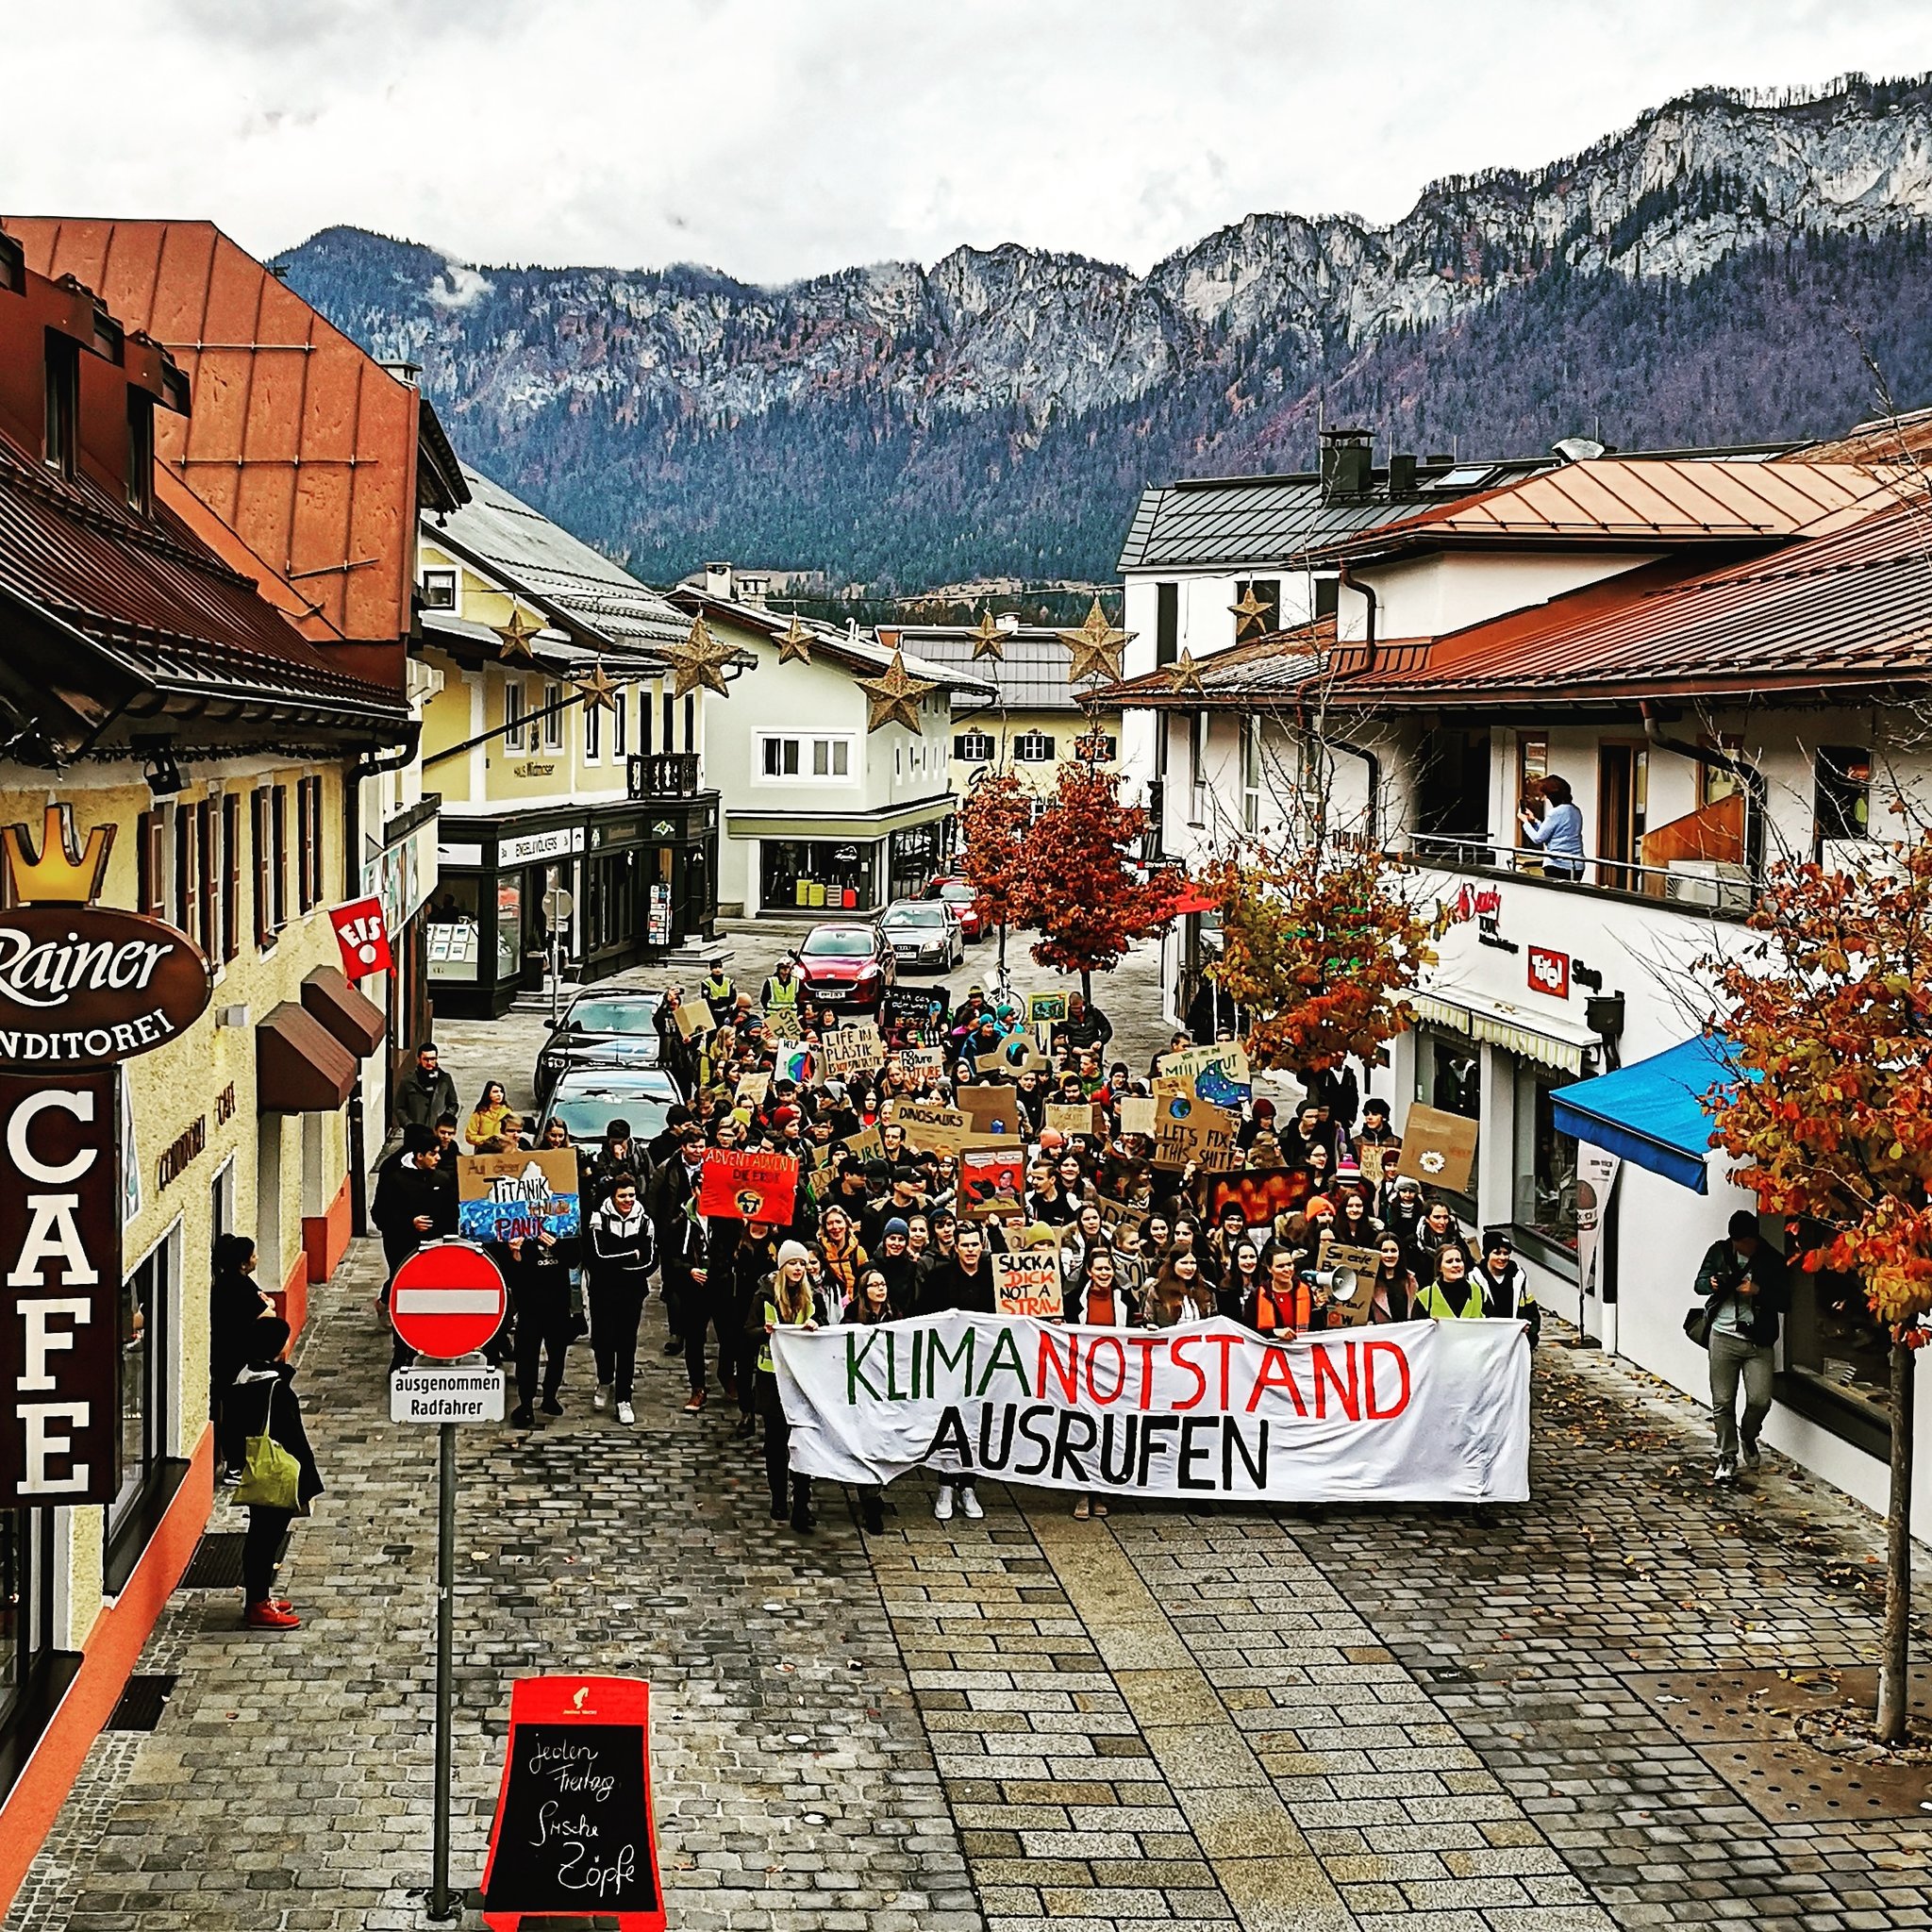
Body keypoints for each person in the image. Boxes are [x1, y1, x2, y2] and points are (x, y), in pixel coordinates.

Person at [225, 1317, 323, 1630]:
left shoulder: (242, 1378)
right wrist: (307, 1480)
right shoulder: (276, 1390)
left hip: (256, 1469)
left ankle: (260, 1597)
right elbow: (295, 1440)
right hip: (276, 1475)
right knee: (265, 1541)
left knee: (261, 1538)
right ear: (278, 1349)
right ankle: (257, 1605)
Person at [1696, 1209, 1789, 1484]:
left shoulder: (1772, 1260)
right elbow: (1699, 1283)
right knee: (1722, 1402)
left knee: (1760, 1399)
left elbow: (1786, 1302)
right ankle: (1726, 1455)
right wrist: (1711, 1283)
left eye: (1742, 1243)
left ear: (1754, 1238)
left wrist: (1759, 1291)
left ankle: (1749, 1435)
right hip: (1722, 1337)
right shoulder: (1719, 1252)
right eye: (1734, 1242)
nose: (1738, 1247)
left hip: (1757, 1340)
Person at [914, 1221, 993, 1523]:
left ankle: (969, 1486)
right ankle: (945, 1485)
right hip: (948, 1363)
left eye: (976, 1244)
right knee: (949, 1424)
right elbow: (923, 1317)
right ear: (956, 1246)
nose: (971, 1250)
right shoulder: (939, 1277)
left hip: (984, 1364)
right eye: (966, 1245)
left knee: (975, 1424)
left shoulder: (993, 1276)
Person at [372, 1124, 454, 1369]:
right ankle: (401, 1351)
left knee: (435, 1299)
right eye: (433, 1154)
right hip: (402, 1248)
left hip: (436, 1250)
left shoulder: (442, 1179)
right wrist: (409, 1223)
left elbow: (452, 1215)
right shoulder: (395, 1178)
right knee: (405, 1300)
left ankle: (435, 1344)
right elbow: (379, 1215)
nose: (438, 1158)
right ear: (419, 1156)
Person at [587, 1174, 657, 1424]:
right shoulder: (599, 1219)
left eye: (631, 1195)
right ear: (613, 1197)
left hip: (632, 1292)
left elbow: (649, 1262)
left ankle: (624, 1398)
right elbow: (597, 1257)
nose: (627, 1200)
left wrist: (619, 1261)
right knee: (603, 1340)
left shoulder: (645, 1222)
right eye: (622, 1196)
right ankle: (605, 1380)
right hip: (602, 1291)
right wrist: (631, 1255)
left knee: (627, 1344)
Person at [758, 1242, 819, 1531]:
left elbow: (826, 1330)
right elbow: (745, 1333)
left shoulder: (811, 1297)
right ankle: (779, 1497)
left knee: (803, 1440)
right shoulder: (765, 1296)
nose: (798, 1269)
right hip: (772, 1379)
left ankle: (802, 1501)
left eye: (802, 1264)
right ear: (783, 1267)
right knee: (775, 1443)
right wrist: (765, 1332)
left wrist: (815, 1327)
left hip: (802, 1379)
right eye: (793, 1264)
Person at [208, 1234, 274, 1483]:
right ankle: (235, 1467)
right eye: (254, 1255)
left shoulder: (226, 1283)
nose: (257, 1258)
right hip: (235, 1360)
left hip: (224, 1357)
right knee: (237, 1415)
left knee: (232, 1412)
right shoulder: (239, 1287)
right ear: (244, 1263)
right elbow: (267, 1310)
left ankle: (235, 1464)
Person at [506, 1212, 578, 1425]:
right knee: (527, 1355)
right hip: (529, 1305)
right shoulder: (517, 1228)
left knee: (557, 1354)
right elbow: (510, 1277)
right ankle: (525, 1403)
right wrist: (515, 1256)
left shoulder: (565, 1226)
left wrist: (555, 1246)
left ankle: (549, 1396)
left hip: (558, 1303)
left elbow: (574, 1259)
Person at [842, 1268, 895, 1532]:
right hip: (861, 1391)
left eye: (883, 1283)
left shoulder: (895, 1314)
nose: (880, 1288)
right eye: (874, 1285)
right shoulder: (852, 1315)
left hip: (886, 1390)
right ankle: (870, 1500)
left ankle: (874, 1492)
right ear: (864, 1291)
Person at [1476, 1229, 1541, 1341]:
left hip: (1515, 1340)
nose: (1502, 1258)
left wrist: (1529, 1334)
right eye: (1497, 1253)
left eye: (1506, 1253)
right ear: (1487, 1254)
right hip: (1487, 1339)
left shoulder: (1518, 1276)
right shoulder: (1475, 1277)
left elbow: (1532, 1312)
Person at [1519, 774, 1586, 882]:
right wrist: (1535, 821)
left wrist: (1525, 822)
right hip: (1577, 865)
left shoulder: (1555, 813)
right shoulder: (1575, 811)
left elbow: (1538, 838)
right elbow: (1556, 832)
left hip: (1558, 865)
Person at [394, 1041, 458, 1134]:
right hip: (415, 1134)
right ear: (419, 1059)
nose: (429, 1063)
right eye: (426, 1059)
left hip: (437, 1133)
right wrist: (409, 1125)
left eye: (432, 1059)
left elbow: (453, 1104)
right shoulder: (408, 1081)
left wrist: (443, 1122)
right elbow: (399, 1107)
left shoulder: (444, 1079)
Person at [1413, 1243, 1486, 1320]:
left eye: (1458, 1260)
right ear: (1439, 1268)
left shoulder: (1479, 1291)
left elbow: (1492, 1325)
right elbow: (1417, 1329)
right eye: (1449, 1261)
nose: (1455, 1265)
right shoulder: (1425, 1296)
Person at [1368, 1233, 1418, 1324]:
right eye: (1385, 1251)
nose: (1389, 1255)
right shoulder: (1369, 1282)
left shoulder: (1411, 1281)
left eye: (1393, 1250)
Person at [466, 1080, 514, 1151]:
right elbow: (470, 1136)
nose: (499, 1094)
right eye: (495, 1092)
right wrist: (490, 1139)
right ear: (488, 1093)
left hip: (504, 1150)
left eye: (501, 1092)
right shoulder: (480, 1113)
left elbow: (514, 1133)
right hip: (483, 1150)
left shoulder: (508, 1112)